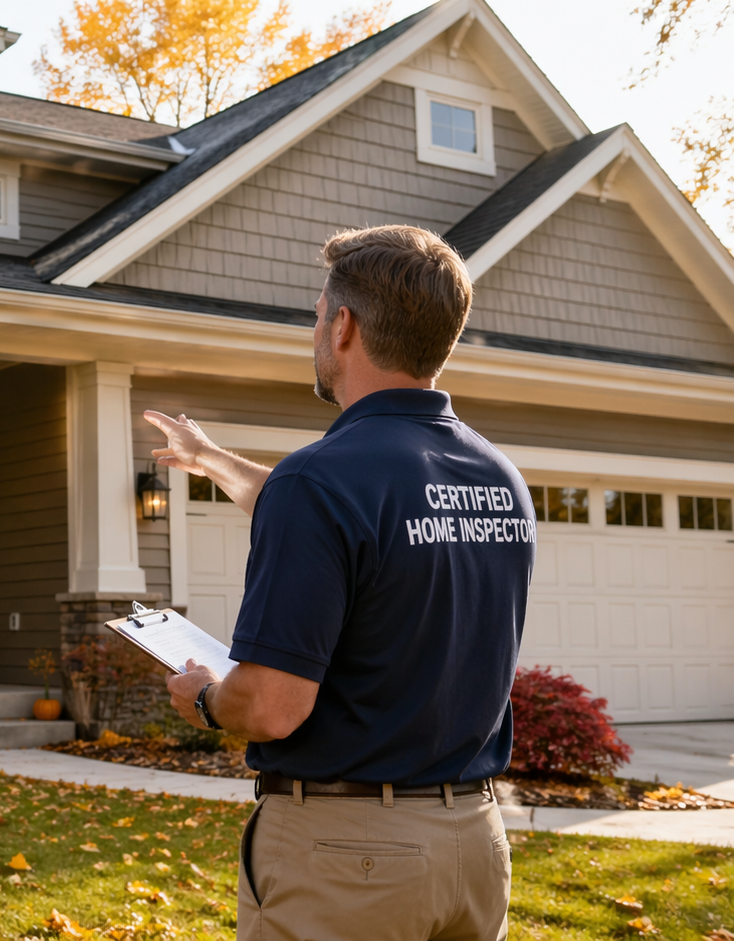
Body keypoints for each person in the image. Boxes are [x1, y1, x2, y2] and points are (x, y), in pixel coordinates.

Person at [148, 225, 532, 941]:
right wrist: (213, 462)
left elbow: (270, 707)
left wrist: (204, 696)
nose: (314, 330)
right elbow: (359, 522)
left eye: (316, 314)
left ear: (345, 325)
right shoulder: (498, 479)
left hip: (349, 858)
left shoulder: (320, 480)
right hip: (475, 845)